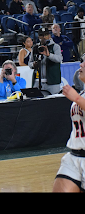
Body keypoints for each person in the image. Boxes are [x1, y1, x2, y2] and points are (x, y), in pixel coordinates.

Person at [53, 58, 85, 192]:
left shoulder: (78, 97)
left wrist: (77, 98)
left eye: (84, 63)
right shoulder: (82, 93)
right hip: (74, 157)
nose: (81, 64)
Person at [29, 27, 63, 95]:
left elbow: (59, 59)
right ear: (39, 37)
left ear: (49, 35)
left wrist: (49, 55)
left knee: (54, 102)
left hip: (52, 81)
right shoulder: (35, 48)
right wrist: (34, 64)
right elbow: (30, 63)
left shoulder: (55, 46)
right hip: (38, 81)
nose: (44, 37)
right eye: (42, 35)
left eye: (46, 35)